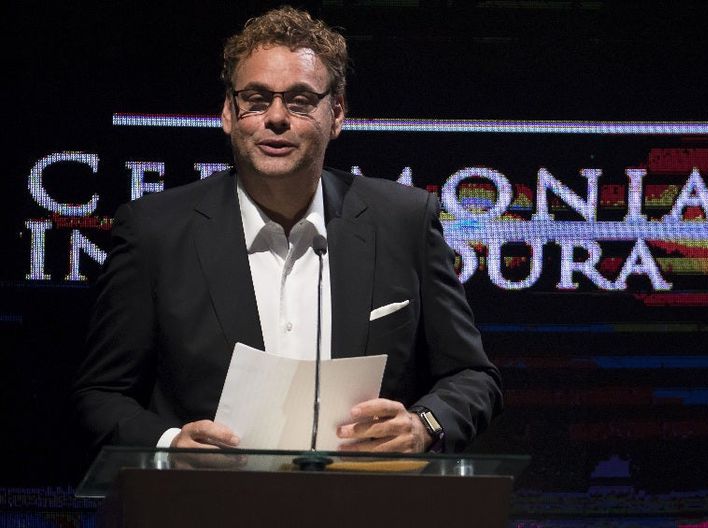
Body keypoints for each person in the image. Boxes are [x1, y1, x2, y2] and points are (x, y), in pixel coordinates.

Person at [73, 6, 501, 454]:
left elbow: (474, 377)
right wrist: (170, 444)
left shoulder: (403, 221)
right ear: (228, 112)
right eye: (256, 99)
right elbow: (100, 395)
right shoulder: (155, 231)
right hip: (211, 493)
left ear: (336, 114)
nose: (276, 117)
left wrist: (424, 425)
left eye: (299, 100)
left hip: (365, 491)